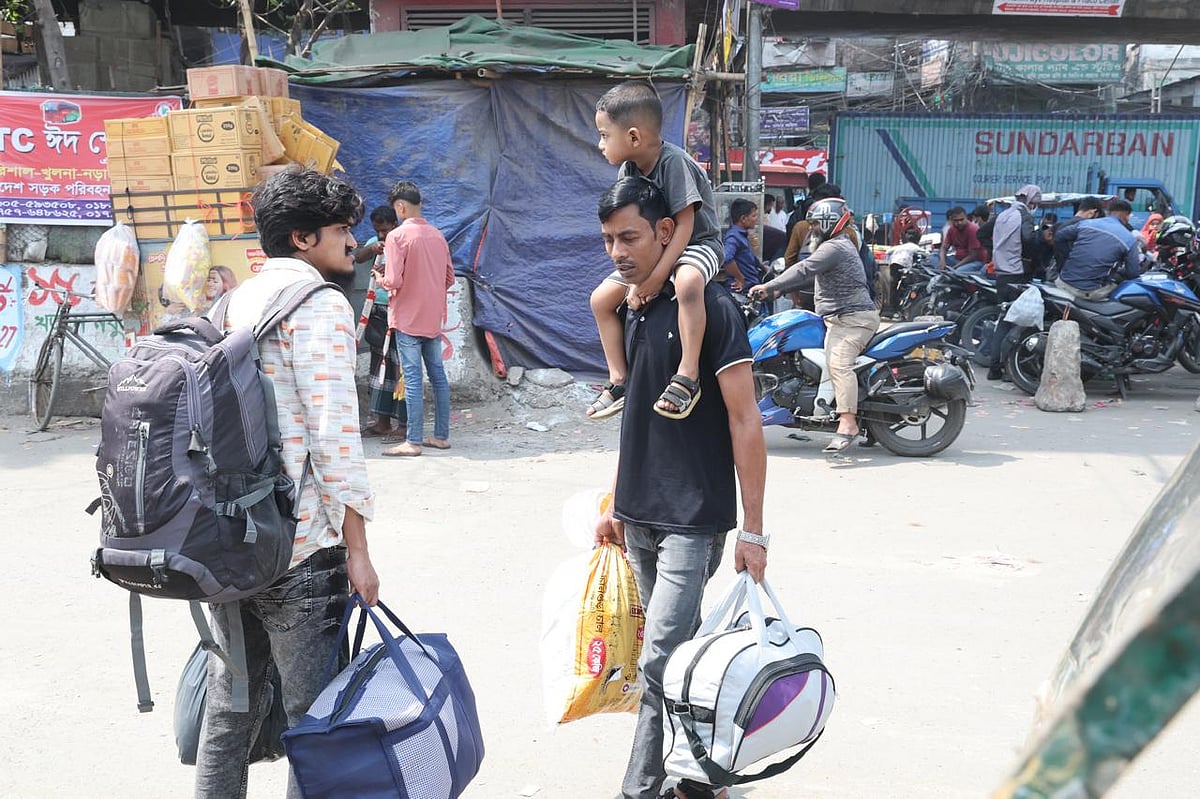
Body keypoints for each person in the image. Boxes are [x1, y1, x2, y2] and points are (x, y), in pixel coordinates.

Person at [197, 167, 380, 799]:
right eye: (340, 230)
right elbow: (335, 438)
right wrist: (357, 551)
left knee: (231, 705)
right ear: (303, 239)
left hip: (225, 539)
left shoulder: (231, 302)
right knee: (315, 718)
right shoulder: (321, 305)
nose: (352, 241)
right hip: (298, 546)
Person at [593, 175, 767, 799]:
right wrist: (615, 501)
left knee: (660, 660)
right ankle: (700, 778)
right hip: (638, 514)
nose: (618, 251)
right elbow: (636, 413)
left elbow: (746, 421)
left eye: (630, 237)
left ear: (667, 232)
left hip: (693, 519)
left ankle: (640, 789)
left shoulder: (712, 308)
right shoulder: (634, 307)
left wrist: (754, 530)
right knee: (678, 657)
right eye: (610, 239)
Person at [588, 80, 723, 422]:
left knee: (688, 284)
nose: (600, 143)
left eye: (605, 135)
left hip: (697, 244)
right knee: (601, 300)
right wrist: (635, 280)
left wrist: (654, 278)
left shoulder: (673, 163)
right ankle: (620, 378)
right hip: (656, 250)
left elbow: (686, 225)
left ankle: (688, 372)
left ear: (633, 137)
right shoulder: (629, 170)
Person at [749, 197, 881, 453]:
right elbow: (814, 279)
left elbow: (804, 270)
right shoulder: (836, 246)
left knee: (839, 361)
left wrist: (768, 286)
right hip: (837, 318)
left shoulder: (835, 247)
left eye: (816, 225)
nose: (812, 230)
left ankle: (848, 422)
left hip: (852, 320)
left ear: (831, 223)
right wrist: (778, 292)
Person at [376, 180, 455, 457]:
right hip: (433, 319)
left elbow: (394, 280)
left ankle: (413, 441)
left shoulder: (396, 238)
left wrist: (380, 279)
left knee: (412, 378)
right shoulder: (438, 236)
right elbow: (449, 278)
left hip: (407, 318)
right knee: (438, 377)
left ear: (400, 207)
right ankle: (441, 436)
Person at [353, 205, 406, 440]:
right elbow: (357, 257)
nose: (382, 235)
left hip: (400, 311)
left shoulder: (404, 241)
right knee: (379, 367)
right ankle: (382, 422)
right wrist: (374, 247)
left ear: (395, 224)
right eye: (378, 232)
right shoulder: (377, 241)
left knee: (400, 368)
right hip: (378, 312)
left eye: (385, 230)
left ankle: (403, 423)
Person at [986, 184, 1040, 380]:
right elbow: (1029, 240)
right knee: (1019, 321)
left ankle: (994, 367)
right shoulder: (1024, 216)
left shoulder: (1003, 214)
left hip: (1001, 272)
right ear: (1031, 200)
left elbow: (984, 233)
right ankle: (1010, 368)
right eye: (1036, 202)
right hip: (1017, 273)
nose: (1036, 206)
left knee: (1003, 320)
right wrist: (1033, 259)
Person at [1055, 198, 1142, 301]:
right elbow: (1133, 273)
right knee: (1123, 291)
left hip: (1062, 283)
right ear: (1127, 216)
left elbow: (1059, 236)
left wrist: (1069, 257)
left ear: (1109, 212)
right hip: (1090, 292)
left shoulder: (1086, 224)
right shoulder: (1129, 239)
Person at [721, 198, 763, 291]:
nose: (756, 219)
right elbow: (727, 258)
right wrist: (740, 278)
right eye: (754, 216)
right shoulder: (734, 236)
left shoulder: (742, 235)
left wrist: (763, 266)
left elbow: (751, 258)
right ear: (743, 218)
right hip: (743, 292)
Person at [883, 228, 924, 317]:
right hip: (905, 266)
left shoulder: (900, 246)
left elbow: (888, 251)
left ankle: (893, 308)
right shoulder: (916, 247)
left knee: (893, 286)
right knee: (908, 285)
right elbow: (926, 254)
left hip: (894, 265)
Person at [939, 206, 987, 275]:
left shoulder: (972, 229)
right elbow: (944, 248)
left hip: (975, 262)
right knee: (933, 257)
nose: (959, 223)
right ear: (951, 220)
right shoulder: (951, 229)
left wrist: (955, 267)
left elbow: (973, 255)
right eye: (956, 220)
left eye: (961, 220)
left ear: (966, 218)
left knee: (958, 272)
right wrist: (942, 261)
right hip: (958, 259)